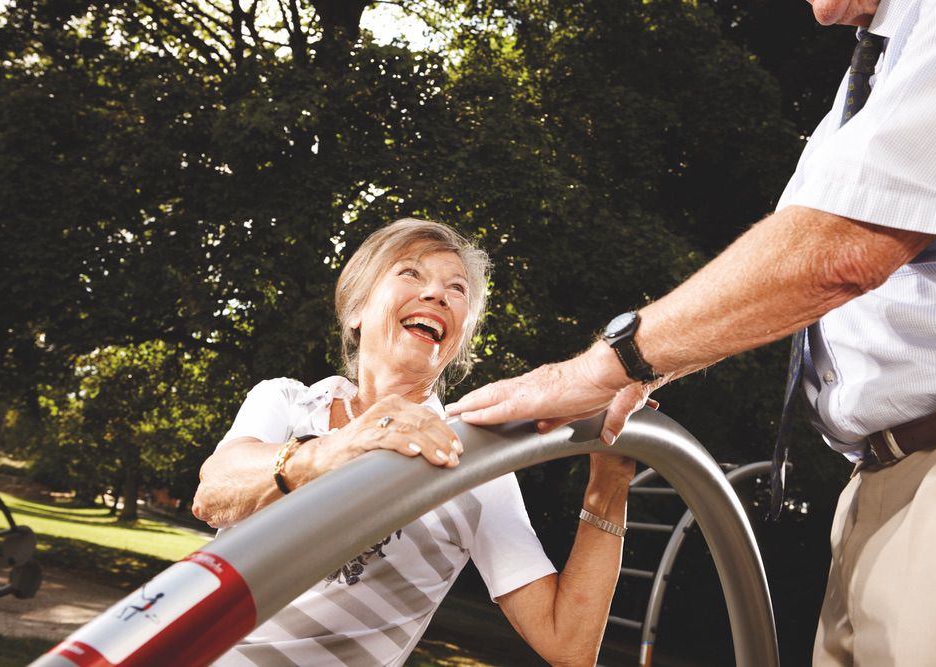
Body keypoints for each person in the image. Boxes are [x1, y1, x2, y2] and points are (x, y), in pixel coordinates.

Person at [447, 1, 936, 665]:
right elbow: (804, 275)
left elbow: (842, 251)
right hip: (882, 480)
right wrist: (655, 367)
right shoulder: (867, 74)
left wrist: (601, 367)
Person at [193, 218, 636, 667]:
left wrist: (610, 482)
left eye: (456, 289)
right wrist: (339, 448)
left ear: (459, 336)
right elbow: (213, 496)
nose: (437, 294)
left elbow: (569, 646)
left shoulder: (473, 462)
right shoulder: (286, 402)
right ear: (356, 311)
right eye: (411, 273)